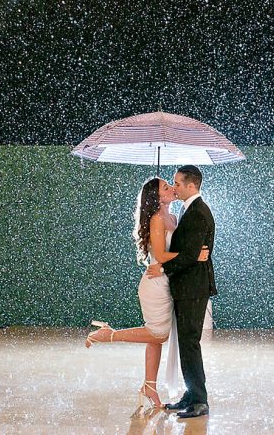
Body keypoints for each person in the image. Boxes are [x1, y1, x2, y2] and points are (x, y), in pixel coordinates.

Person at [85, 176, 209, 410]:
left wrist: (188, 255)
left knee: (156, 339)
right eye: (166, 187)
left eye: (172, 185)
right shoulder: (156, 220)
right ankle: (109, 334)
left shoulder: (174, 217)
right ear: (158, 197)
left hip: (169, 282)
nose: (172, 188)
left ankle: (149, 387)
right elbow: (161, 256)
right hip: (155, 283)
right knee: (158, 334)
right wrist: (194, 256)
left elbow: (181, 250)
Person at [146, 165, 216, 419]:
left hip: (193, 288)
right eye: (171, 183)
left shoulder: (198, 213)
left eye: (177, 183)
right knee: (186, 343)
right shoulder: (189, 211)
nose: (174, 187)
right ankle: (191, 394)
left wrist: (163, 268)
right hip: (186, 287)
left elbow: (189, 256)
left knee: (190, 343)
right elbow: (190, 253)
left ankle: (199, 400)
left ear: (191, 185)